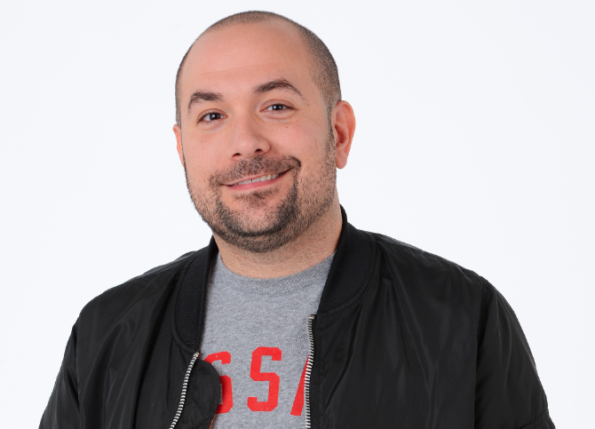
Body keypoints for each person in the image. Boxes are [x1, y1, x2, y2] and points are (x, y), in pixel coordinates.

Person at [40, 11, 555, 429]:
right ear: (182, 149)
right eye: (212, 116)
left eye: (277, 106)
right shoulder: (107, 335)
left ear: (340, 133)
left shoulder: (461, 318)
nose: (246, 143)